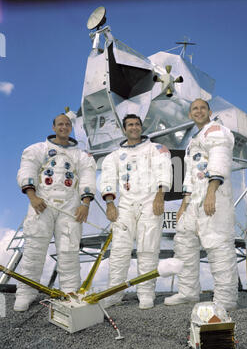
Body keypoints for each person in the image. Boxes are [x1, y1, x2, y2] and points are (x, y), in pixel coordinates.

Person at [14, 114, 97, 311]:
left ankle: (69, 294)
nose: (64, 127)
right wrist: (33, 196)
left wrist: (85, 204)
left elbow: (87, 178)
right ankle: (25, 293)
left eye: (67, 124)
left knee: (69, 251)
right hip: (42, 204)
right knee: (34, 250)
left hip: (70, 207)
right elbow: (27, 170)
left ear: (70, 128)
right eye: (60, 124)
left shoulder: (81, 155)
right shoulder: (37, 150)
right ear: (53, 127)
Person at [164, 99, 238, 310]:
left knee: (218, 245)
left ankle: (225, 300)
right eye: (194, 109)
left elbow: (219, 161)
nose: (198, 111)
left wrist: (211, 193)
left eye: (202, 108)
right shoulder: (193, 141)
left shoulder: (216, 131)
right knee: (184, 243)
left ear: (209, 111)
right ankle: (188, 292)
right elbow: (189, 175)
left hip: (214, 197)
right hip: (194, 201)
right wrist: (183, 205)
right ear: (190, 114)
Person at [100, 114, 172, 310]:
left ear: (141, 127)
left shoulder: (157, 149)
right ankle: (114, 293)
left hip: (150, 202)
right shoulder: (114, 156)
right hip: (125, 205)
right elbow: (107, 178)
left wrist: (160, 196)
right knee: (119, 251)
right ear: (124, 129)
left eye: (137, 124)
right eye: (130, 125)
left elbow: (164, 171)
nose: (134, 127)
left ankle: (146, 293)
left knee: (148, 249)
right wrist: (109, 203)